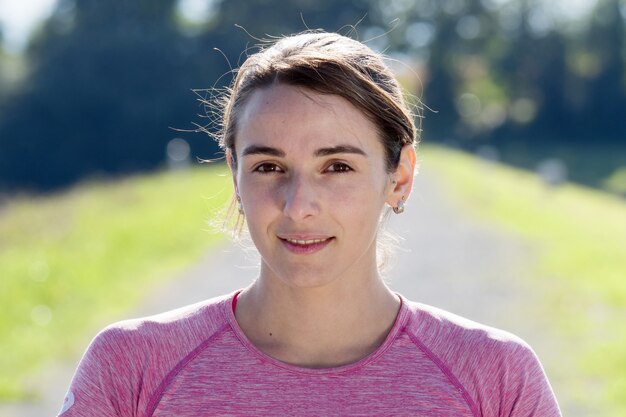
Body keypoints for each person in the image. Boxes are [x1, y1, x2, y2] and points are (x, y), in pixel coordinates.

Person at [58, 31, 562, 417]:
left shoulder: (494, 377)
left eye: (337, 166)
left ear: (399, 176)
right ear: (235, 173)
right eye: (268, 167)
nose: (298, 205)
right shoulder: (132, 369)